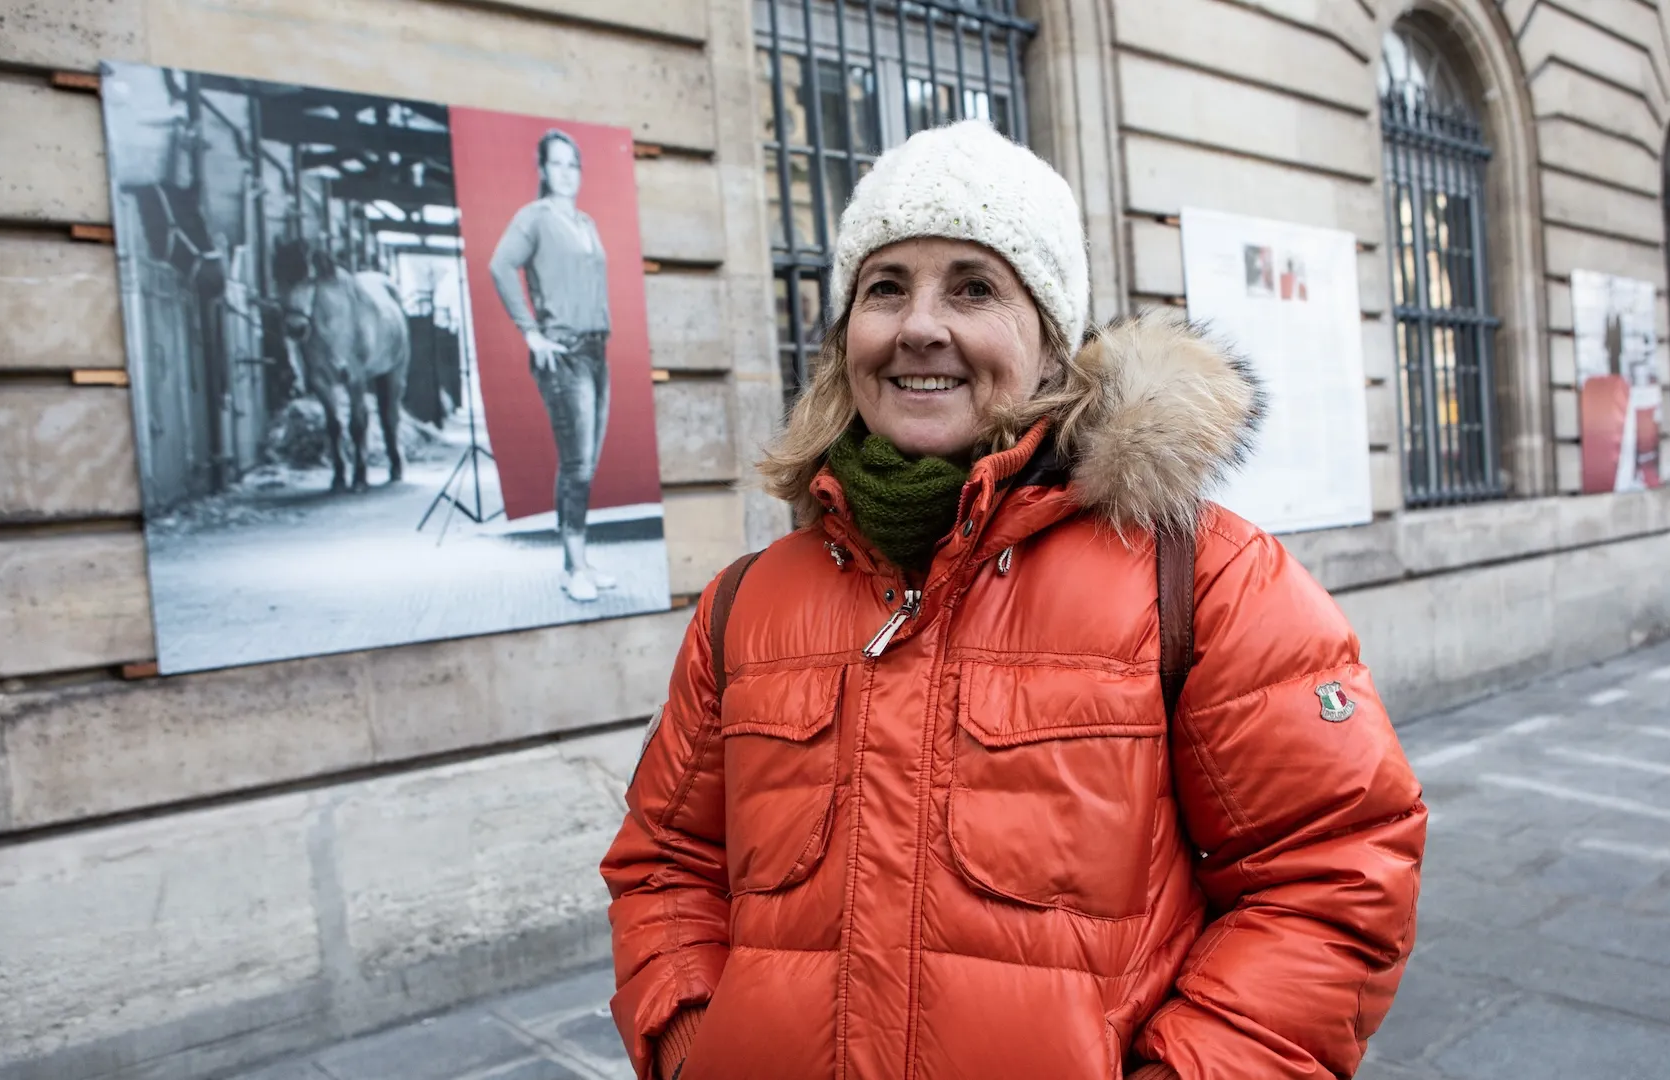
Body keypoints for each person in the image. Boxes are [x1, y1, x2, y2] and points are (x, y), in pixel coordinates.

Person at [602, 119, 1426, 1080]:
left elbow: (1333, 874)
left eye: (974, 287)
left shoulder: (1203, 578)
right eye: (884, 288)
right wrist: (691, 1046)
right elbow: (664, 864)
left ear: (1051, 347)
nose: (919, 326)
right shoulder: (746, 603)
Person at [490, 129, 614, 601]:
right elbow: (501, 266)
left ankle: (579, 561)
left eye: (572, 164)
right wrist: (530, 331)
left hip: (596, 350)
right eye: (557, 164)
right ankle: (573, 567)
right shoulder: (534, 218)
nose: (566, 173)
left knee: (587, 463)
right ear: (543, 169)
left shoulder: (586, 221)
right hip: (563, 353)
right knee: (577, 464)